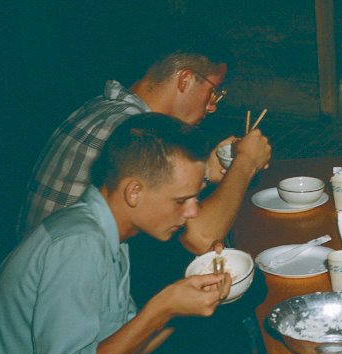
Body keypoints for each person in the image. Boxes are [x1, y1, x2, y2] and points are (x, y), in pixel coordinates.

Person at [0, 113, 233, 354]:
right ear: (133, 191)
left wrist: (184, 310)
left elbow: (119, 352)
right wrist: (161, 307)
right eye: (181, 200)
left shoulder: (111, 232)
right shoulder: (78, 246)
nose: (193, 211)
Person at [18, 38, 271, 254]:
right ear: (185, 80)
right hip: (68, 277)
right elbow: (201, 238)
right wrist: (246, 162)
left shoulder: (102, 107)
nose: (213, 105)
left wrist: (204, 170)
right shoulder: (136, 131)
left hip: (43, 259)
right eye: (214, 91)